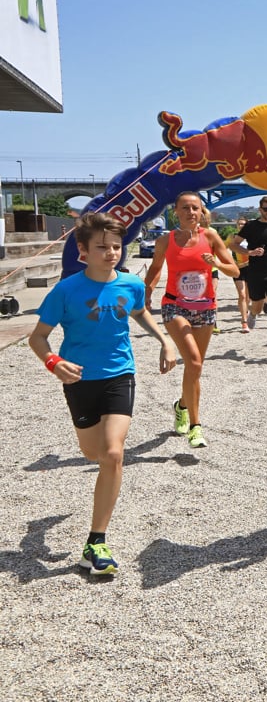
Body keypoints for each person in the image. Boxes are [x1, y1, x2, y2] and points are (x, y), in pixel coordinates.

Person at [29, 212, 177, 575]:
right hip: (79, 380)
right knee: (92, 452)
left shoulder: (131, 284)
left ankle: (96, 541)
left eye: (116, 247)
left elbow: (139, 311)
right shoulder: (66, 291)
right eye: (102, 247)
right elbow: (38, 337)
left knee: (112, 453)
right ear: (83, 251)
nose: (111, 253)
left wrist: (164, 340)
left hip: (119, 375)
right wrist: (53, 362)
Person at [144, 191, 241, 448]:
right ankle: (196, 427)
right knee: (194, 361)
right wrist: (147, 292)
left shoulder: (210, 237)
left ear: (201, 211)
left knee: (195, 367)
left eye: (195, 208)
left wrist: (216, 263)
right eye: (185, 208)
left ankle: (181, 406)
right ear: (176, 211)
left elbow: (234, 270)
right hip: (174, 306)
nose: (191, 212)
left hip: (205, 308)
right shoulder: (165, 241)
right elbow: (155, 268)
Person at [234, 196, 267, 359]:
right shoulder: (251, 226)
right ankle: (252, 314)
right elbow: (233, 244)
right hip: (255, 273)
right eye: (266, 209)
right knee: (257, 306)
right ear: (260, 209)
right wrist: (249, 252)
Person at [225, 216, 251, 332]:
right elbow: (222, 249)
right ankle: (244, 321)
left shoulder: (251, 237)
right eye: (239, 224)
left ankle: (246, 311)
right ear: (236, 225)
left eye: (244, 224)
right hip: (238, 269)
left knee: (248, 296)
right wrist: (230, 262)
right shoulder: (232, 237)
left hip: (250, 268)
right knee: (242, 294)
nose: (241, 226)